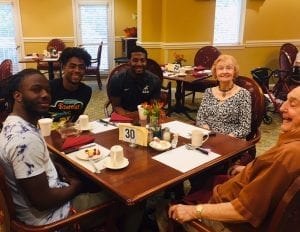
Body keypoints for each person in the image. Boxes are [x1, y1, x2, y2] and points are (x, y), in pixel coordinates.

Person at [0, 69, 143, 231]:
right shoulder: (25, 140)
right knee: (133, 197)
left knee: (94, 178)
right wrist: (77, 186)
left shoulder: (13, 124)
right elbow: (43, 201)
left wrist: (57, 167)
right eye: (36, 89)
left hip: (39, 202)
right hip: (52, 219)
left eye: (47, 90)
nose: (45, 94)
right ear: (17, 96)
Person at [167, 86, 300, 232]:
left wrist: (193, 211)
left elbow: (243, 211)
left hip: (230, 220)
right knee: (207, 180)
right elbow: (274, 176)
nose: (281, 108)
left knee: (167, 210)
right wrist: (250, 169)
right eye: (286, 101)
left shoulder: (291, 153)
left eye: (292, 104)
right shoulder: (291, 144)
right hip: (233, 188)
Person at [195, 54, 251, 139]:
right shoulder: (208, 92)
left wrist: (226, 139)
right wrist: (206, 130)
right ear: (215, 72)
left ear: (234, 71)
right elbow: (200, 117)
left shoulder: (244, 94)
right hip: (208, 137)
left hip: (231, 140)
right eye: (220, 68)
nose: (224, 71)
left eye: (228, 68)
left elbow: (245, 127)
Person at [108, 45, 162, 114]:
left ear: (146, 62)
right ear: (129, 62)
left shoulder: (155, 80)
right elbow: (117, 106)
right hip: (124, 115)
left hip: (146, 115)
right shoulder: (117, 80)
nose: (139, 64)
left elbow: (154, 107)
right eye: (135, 60)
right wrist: (131, 118)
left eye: (142, 60)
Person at [48, 47, 92, 123]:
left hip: (70, 131)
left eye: (81, 67)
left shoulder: (86, 91)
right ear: (63, 67)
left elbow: (75, 119)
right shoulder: (49, 88)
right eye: (72, 66)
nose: (77, 70)